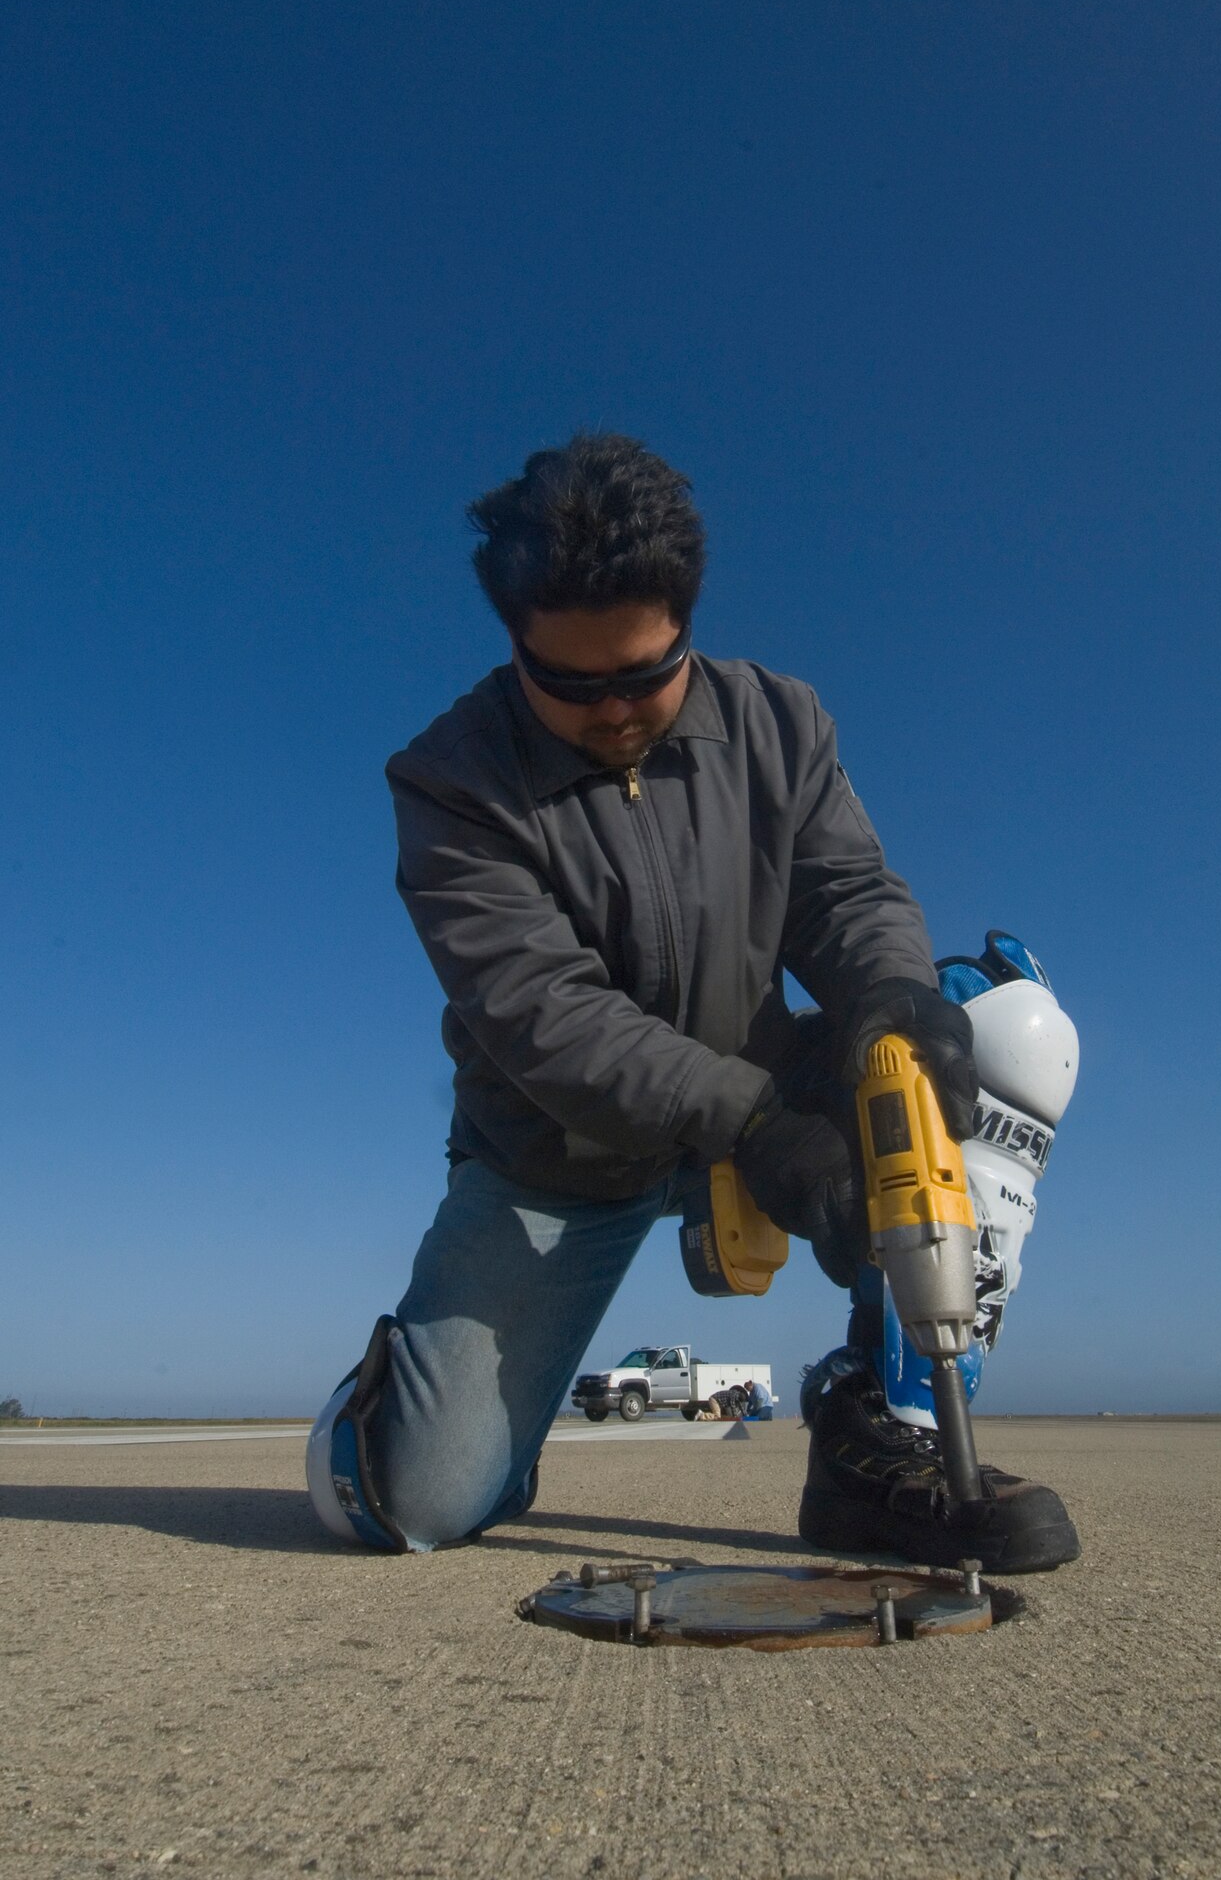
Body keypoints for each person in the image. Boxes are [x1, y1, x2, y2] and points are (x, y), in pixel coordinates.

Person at [306, 432, 1079, 1573]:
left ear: (688, 621)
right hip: (556, 1155)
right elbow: (544, 1016)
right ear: (514, 638)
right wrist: (755, 1126)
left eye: (642, 674)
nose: (611, 710)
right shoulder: (450, 780)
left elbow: (848, 893)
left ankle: (889, 1434)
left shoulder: (780, 722)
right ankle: (384, 1415)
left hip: (771, 1080)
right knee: (422, 1496)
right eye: (569, 684)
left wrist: (894, 1000)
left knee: (1001, 1033)